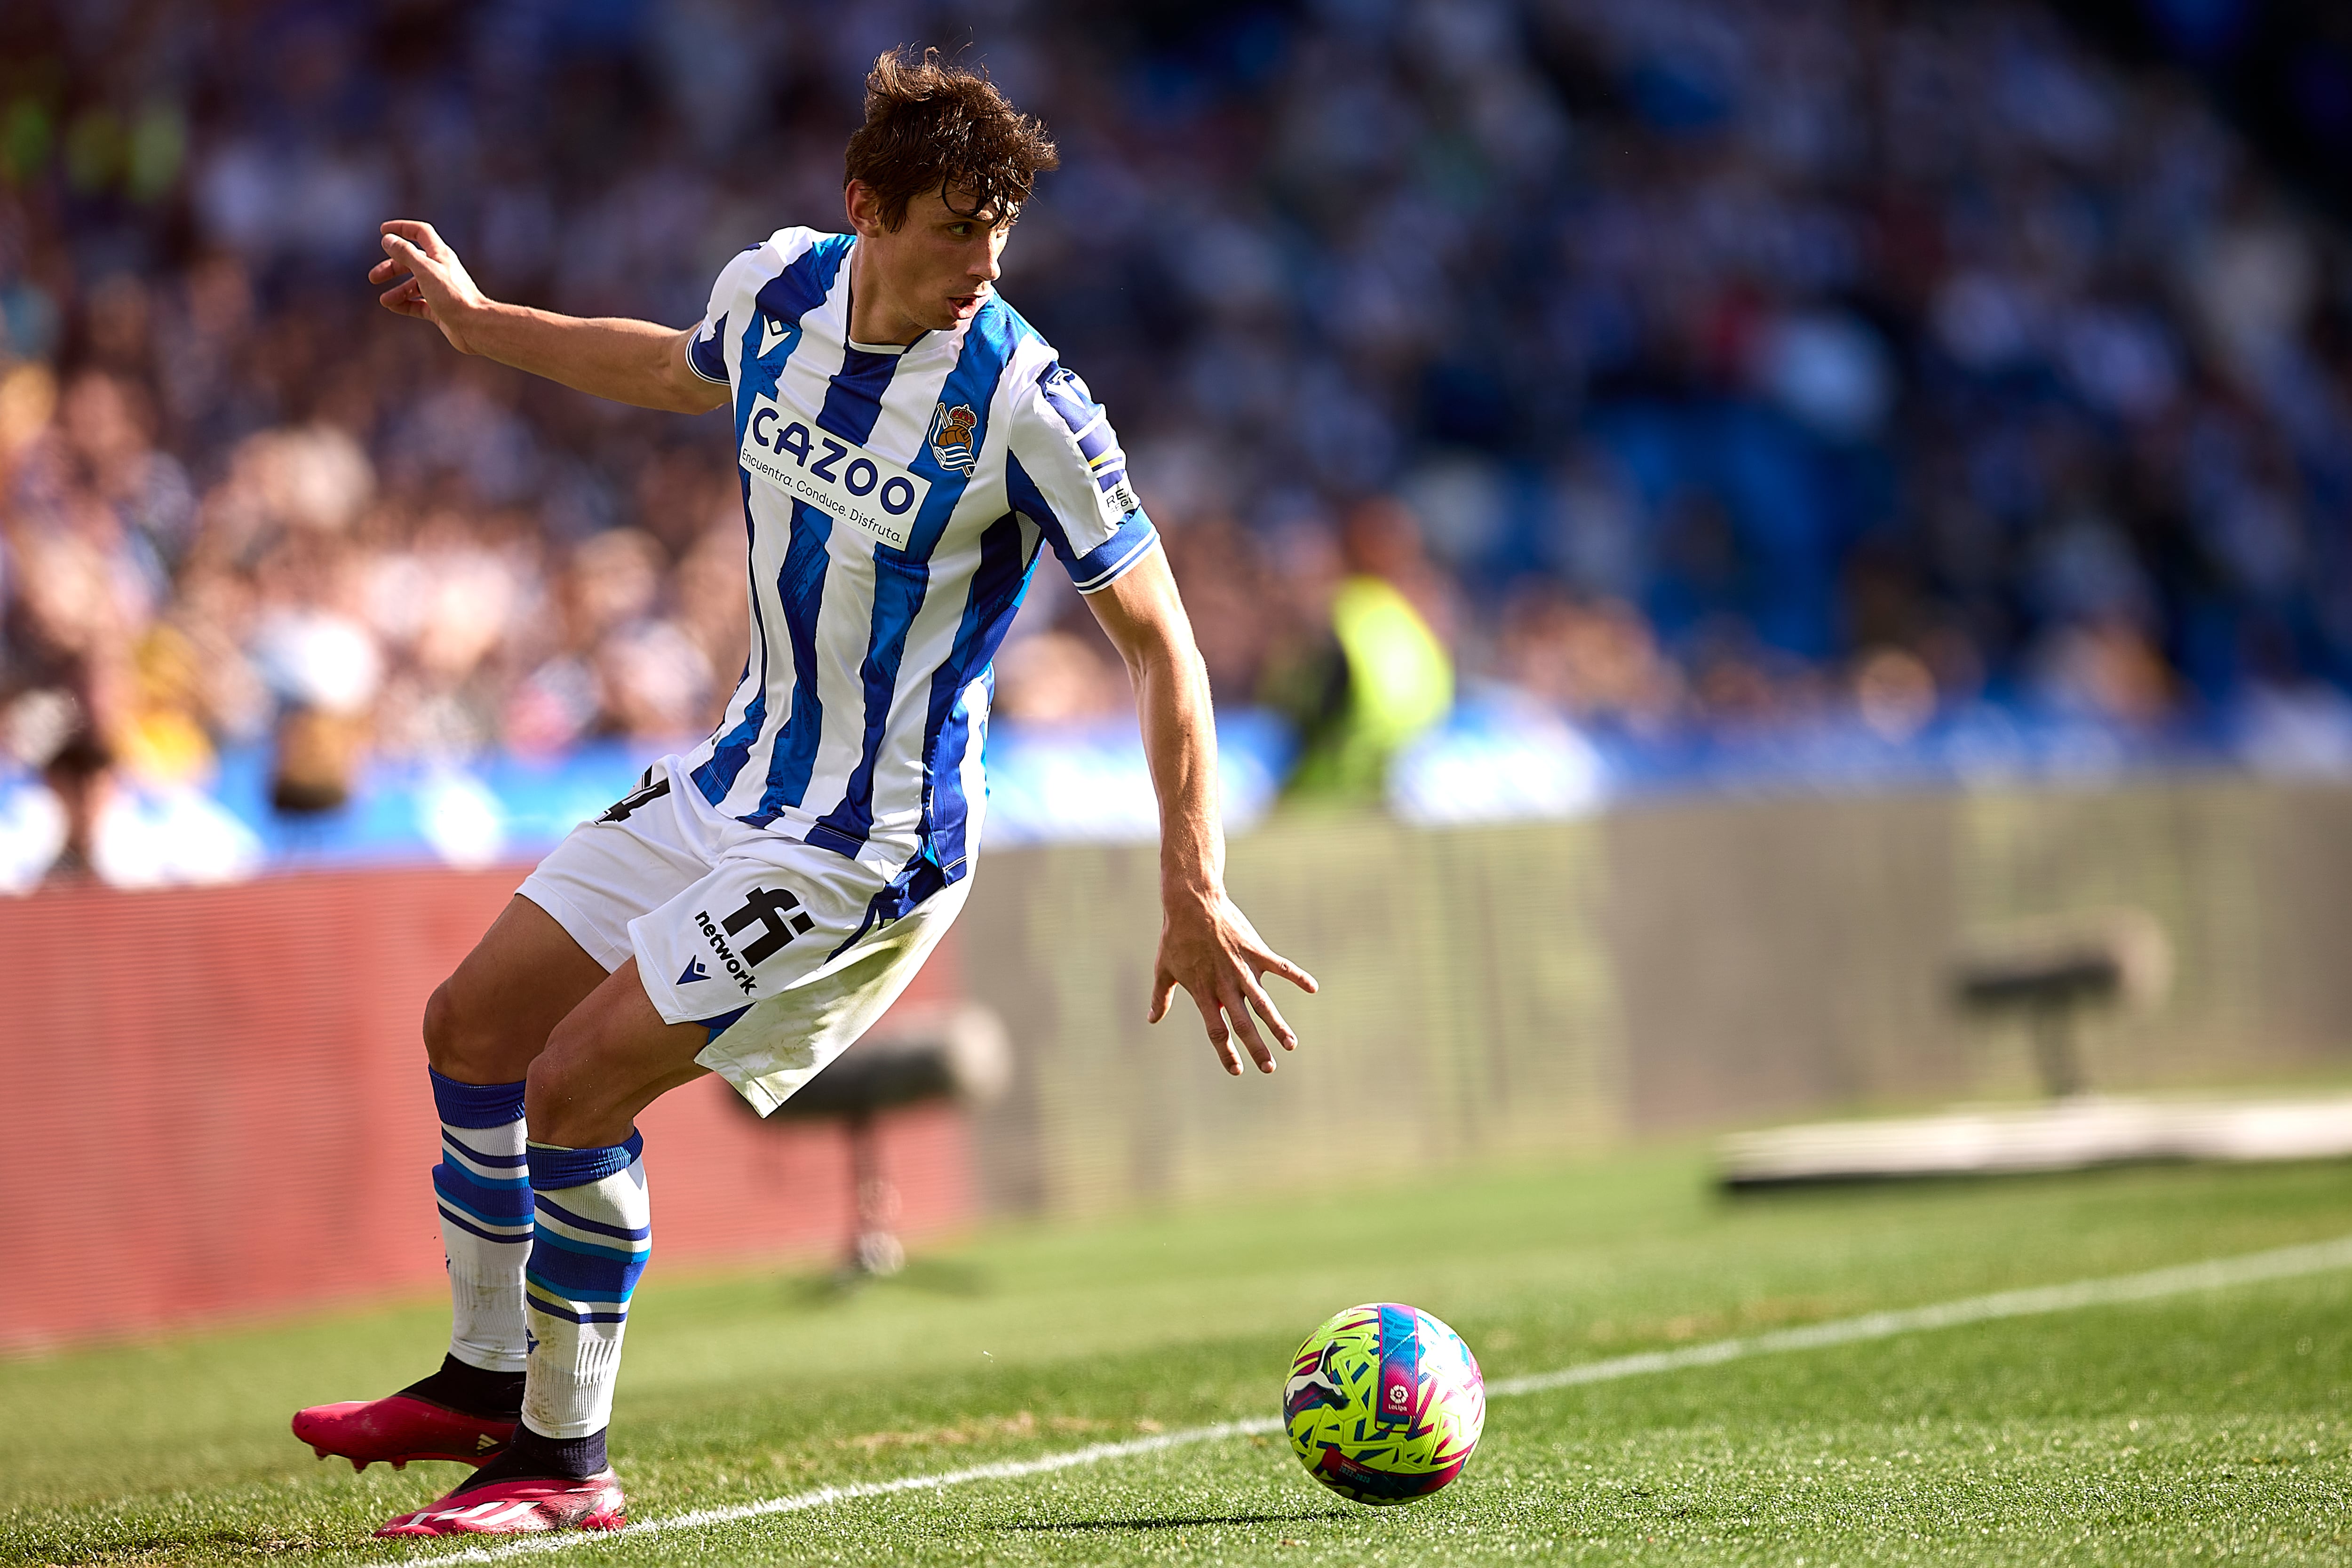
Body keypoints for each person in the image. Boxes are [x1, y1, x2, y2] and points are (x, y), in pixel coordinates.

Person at [291, 48, 1316, 1541]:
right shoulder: (775, 288)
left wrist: (1194, 879)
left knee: (577, 1084)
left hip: (868, 845)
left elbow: (1165, 641)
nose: (983, 262)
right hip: (734, 779)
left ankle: (564, 1465)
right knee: (470, 1027)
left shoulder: (1027, 401)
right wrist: (477, 322)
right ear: (867, 210)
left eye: (1002, 231)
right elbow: (664, 367)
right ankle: (479, 1375)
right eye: (956, 226)